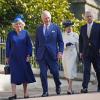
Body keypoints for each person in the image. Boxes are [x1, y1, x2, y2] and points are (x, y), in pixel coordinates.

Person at [34, 10, 64, 97]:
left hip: (52, 54)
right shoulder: (39, 29)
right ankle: (45, 91)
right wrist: (36, 55)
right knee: (43, 74)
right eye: (45, 18)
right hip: (42, 55)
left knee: (55, 72)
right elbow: (36, 43)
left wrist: (60, 52)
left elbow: (60, 42)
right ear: (42, 19)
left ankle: (58, 85)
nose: (47, 20)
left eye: (48, 18)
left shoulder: (56, 28)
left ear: (50, 18)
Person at [6, 16, 36, 100]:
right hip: (13, 58)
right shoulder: (10, 34)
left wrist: (29, 55)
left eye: (20, 24)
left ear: (22, 25)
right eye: (16, 24)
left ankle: (26, 93)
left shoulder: (25, 33)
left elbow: (29, 45)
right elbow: (8, 46)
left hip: (24, 58)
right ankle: (14, 94)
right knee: (14, 76)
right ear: (14, 25)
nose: (18, 26)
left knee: (24, 76)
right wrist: (7, 57)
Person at [79, 11, 100, 93]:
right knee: (86, 70)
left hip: (96, 52)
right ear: (85, 18)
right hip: (86, 52)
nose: (89, 18)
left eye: (90, 16)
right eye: (87, 16)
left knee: (98, 69)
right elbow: (81, 40)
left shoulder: (98, 26)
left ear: (93, 17)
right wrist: (81, 51)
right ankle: (85, 87)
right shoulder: (82, 28)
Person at [62, 20, 79, 94]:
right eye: (67, 27)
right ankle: (71, 88)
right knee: (66, 72)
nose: (69, 28)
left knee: (71, 70)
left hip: (73, 54)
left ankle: (69, 88)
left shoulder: (75, 34)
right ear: (65, 28)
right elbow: (60, 44)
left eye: (70, 27)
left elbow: (78, 46)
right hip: (65, 54)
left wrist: (80, 55)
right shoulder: (62, 35)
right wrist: (65, 45)